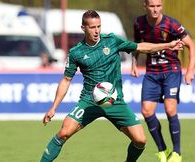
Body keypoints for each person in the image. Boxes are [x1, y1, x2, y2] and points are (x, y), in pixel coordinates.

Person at [40, 9, 184, 162]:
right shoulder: (76, 52)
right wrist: (54, 107)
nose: (96, 31)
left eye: (98, 26)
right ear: (83, 28)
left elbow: (141, 47)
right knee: (63, 132)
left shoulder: (112, 40)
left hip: (115, 100)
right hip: (90, 101)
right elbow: (66, 80)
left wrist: (168, 45)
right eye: (92, 27)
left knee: (140, 140)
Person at [131, 0, 195, 162]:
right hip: (152, 73)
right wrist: (134, 63)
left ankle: (177, 153)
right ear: (145, 6)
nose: (155, 9)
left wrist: (190, 70)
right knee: (146, 111)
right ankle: (163, 150)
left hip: (171, 71)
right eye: (152, 6)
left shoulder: (171, 24)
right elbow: (137, 45)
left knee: (170, 109)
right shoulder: (139, 23)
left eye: (158, 6)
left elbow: (192, 46)